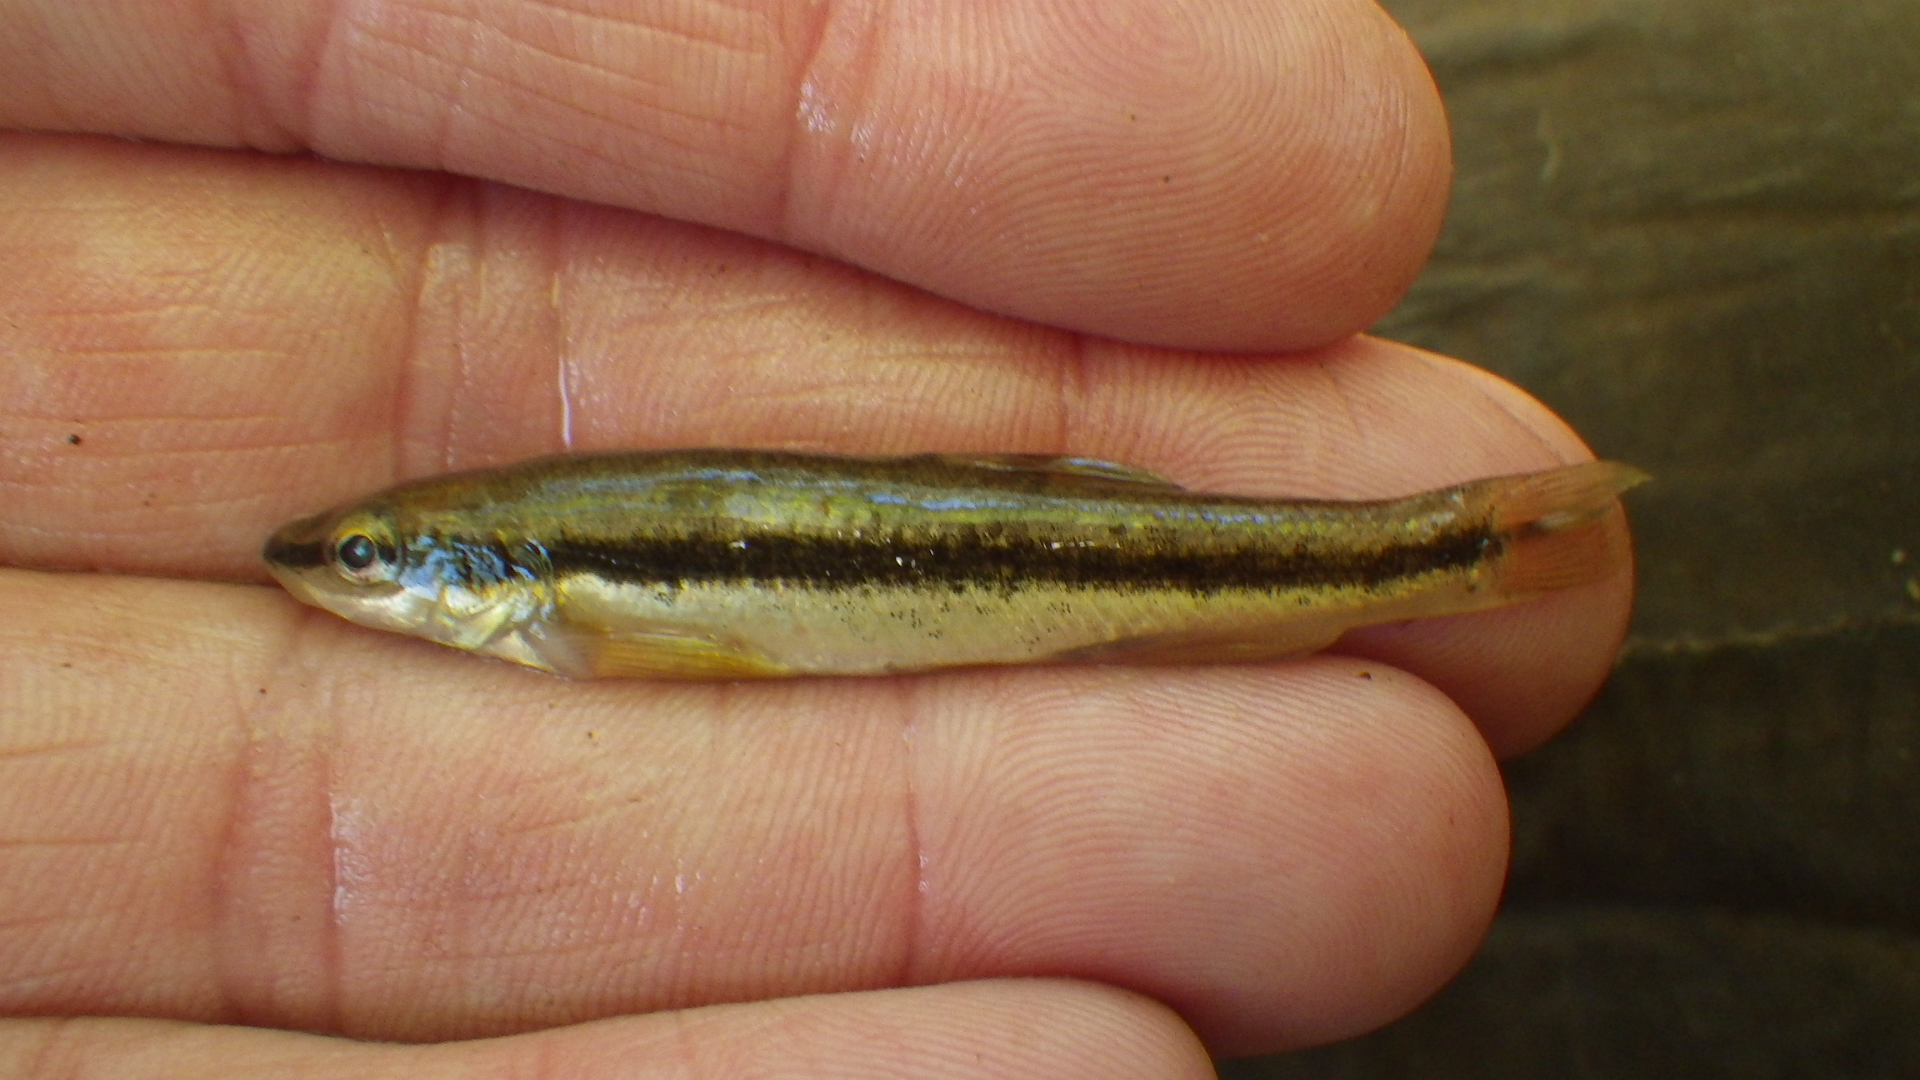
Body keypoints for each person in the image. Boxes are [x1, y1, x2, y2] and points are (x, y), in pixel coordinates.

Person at [0, 1, 1633, 1074]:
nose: (342, 578)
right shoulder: (533, 580)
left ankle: (1452, 551)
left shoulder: (552, 595)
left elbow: (673, 637)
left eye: (366, 560)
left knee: (1193, 617)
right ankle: (1448, 552)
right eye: (359, 559)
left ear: (472, 569)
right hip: (963, 561)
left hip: (991, 556)